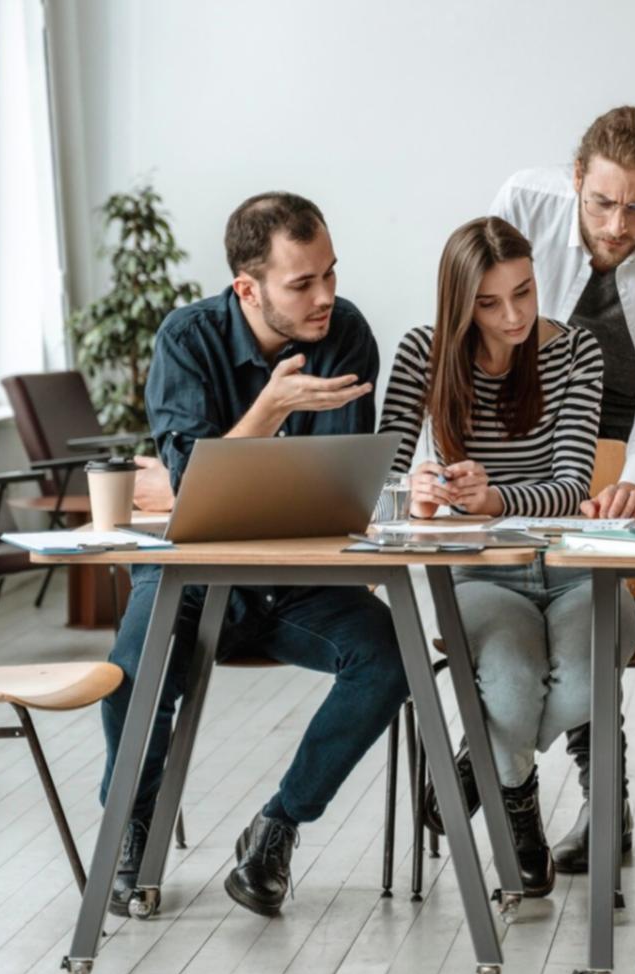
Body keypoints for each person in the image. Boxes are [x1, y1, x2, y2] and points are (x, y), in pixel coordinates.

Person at [102, 192, 409, 919]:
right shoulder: (187, 339)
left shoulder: (347, 333)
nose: (326, 295)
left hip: (295, 580)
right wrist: (268, 412)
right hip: (194, 573)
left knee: (391, 658)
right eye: (302, 283)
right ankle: (129, 834)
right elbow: (193, 486)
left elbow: (333, 487)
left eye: (330, 273)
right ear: (248, 287)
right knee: (131, 673)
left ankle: (278, 825)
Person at [378, 216, 635, 896]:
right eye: (490, 304)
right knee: (515, 684)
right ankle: (517, 808)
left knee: (585, 684)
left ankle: (481, 768)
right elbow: (378, 485)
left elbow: (571, 485)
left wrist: (494, 498)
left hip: (583, 568)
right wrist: (418, 492)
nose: (516, 314)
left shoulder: (575, 348)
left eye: (524, 291)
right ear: (459, 304)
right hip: (485, 575)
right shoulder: (423, 354)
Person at [490, 105, 635, 870]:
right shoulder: (525, 202)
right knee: (579, 594)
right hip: (554, 413)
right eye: (603, 202)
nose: (619, 225)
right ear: (576, 178)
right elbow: (487, 327)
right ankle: (605, 804)